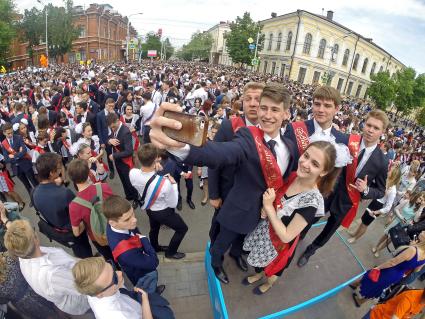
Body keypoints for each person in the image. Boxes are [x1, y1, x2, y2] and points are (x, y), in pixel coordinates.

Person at [149, 82, 298, 284]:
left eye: (274, 110)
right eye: (264, 108)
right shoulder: (247, 137)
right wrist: (180, 147)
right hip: (237, 208)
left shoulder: (290, 146)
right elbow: (218, 154)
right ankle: (216, 264)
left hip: (265, 214)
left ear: (287, 113)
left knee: (241, 242)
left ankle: (236, 255)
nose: (267, 115)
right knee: (221, 242)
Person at [243, 140, 343, 294]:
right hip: (266, 232)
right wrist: (266, 208)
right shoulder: (293, 175)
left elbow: (286, 236)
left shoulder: (312, 202)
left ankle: (268, 285)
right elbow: (276, 201)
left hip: (279, 246)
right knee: (259, 263)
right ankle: (258, 274)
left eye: (315, 164)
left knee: (272, 271)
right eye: (306, 156)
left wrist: (269, 208)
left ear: (323, 172)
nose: (305, 163)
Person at [298, 110, 390, 267]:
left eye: (376, 128)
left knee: (329, 230)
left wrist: (366, 190)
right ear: (363, 124)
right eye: (368, 125)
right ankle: (299, 235)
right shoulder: (347, 140)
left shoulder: (382, 161)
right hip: (328, 190)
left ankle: (311, 250)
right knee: (310, 217)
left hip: (347, 201)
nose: (370, 130)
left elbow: (380, 191)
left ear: (382, 132)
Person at [207, 82, 264, 272]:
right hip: (227, 194)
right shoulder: (229, 127)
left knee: (245, 230)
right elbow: (213, 161)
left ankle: (236, 253)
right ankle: (216, 261)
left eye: (258, 99)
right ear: (242, 103)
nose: (253, 104)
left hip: (254, 198)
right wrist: (214, 194)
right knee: (221, 231)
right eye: (248, 99)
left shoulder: (271, 130)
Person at [4, 220, 91, 316]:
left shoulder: (23, 253)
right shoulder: (51, 274)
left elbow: (18, 237)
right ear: (35, 238)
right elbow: (83, 285)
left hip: (79, 273)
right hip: (83, 297)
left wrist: (5, 219)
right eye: (33, 229)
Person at [129, 144, 188, 259]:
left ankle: (155, 247)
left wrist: (155, 170)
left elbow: (145, 178)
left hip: (149, 208)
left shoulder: (133, 173)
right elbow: (173, 203)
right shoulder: (164, 183)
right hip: (163, 212)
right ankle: (170, 253)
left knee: (154, 228)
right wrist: (174, 184)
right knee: (182, 229)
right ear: (156, 159)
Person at [32, 153, 92, 258]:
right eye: (58, 168)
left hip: (58, 230)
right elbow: (80, 211)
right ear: (51, 173)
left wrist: (55, 185)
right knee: (84, 251)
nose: (60, 170)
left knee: (78, 252)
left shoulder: (34, 192)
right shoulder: (65, 193)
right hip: (74, 230)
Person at [72, 257, 174, 319]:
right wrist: (145, 299)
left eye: (112, 267)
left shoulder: (93, 290)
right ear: (99, 294)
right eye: (114, 279)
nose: (120, 273)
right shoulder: (118, 316)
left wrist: (116, 284)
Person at [103, 195, 164, 294]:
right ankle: (152, 296)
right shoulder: (126, 253)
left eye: (132, 214)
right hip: (142, 274)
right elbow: (154, 263)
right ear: (112, 223)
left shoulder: (115, 223)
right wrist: (144, 240)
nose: (134, 220)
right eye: (127, 219)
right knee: (147, 291)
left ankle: (153, 290)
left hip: (138, 264)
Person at [351, 230, 425, 307]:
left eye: (424, 233)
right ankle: (359, 297)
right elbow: (417, 270)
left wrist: (378, 268)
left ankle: (357, 290)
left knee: (371, 276)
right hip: (398, 275)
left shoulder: (412, 250)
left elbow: (393, 262)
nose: (422, 231)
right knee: (378, 287)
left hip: (390, 270)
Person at [67, 158, 114, 260]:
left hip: (97, 237)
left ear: (72, 179)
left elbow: (76, 232)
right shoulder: (104, 187)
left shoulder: (74, 205)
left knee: (109, 257)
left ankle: (116, 271)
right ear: (88, 173)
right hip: (114, 227)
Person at [348, 164, 402, 243]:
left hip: (378, 207)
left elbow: (388, 207)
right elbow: (377, 192)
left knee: (365, 224)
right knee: (363, 220)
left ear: (394, 175)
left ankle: (355, 238)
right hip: (374, 202)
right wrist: (369, 197)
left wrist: (376, 212)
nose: (388, 170)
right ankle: (354, 233)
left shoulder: (393, 190)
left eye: (391, 170)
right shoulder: (385, 181)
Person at [373, 192, 425, 257]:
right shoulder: (407, 201)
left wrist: (421, 207)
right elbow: (396, 209)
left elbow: (416, 220)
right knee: (386, 235)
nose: (419, 200)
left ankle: (379, 250)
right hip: (396, 220)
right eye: (420, 198)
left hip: (403, 226)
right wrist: (401, 217)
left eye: (422, 200)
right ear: (417, 196)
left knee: (391, 238)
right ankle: (376, 246)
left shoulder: (418, 210)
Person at [107, 112, 139, 207]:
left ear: (118, 121)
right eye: (111, 127)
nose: (112, 129)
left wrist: (114, 156)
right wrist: (109, 141)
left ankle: (136, 198)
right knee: (123, 181)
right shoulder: (114, 128)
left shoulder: (125, 131)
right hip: (119, 162)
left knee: (130, 182)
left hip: (126, 162)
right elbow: (109, 138)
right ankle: (128, 196)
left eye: (113, 127)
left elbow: (129, 151)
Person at [1, 122, 38, 197]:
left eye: (11, 132)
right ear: (4, 133)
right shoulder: (4, 143)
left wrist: (14, 156)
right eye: (8, 133)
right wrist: (18, 154)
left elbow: (24, 151)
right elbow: (6, 159)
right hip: (16, 168)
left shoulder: (18, 137)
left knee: (34, 181)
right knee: (26, 185)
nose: (10, 135)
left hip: (25, 164)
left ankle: (40, 195)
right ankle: (32, 198)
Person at [96, 97, 116, 179]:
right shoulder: (99, 115)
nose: (111, 108)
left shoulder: (114, 113)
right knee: (109, 155)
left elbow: (118, 123)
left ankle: (118, 166)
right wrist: (101, 141)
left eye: (113, 106)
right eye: (110, 106)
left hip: (114, 136)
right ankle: (112, 170)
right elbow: (99, 129)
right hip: (106, 138)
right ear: (105, 105)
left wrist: (113, 114)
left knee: (117, 153)